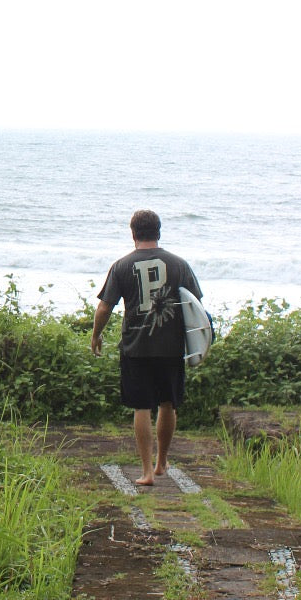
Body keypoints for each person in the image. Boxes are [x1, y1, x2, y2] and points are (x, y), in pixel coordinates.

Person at [89, 209, 203, 487]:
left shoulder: (121, 265)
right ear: (159, 232)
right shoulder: (179, 265)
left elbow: (105, 306)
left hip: (136, 347)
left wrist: (96, 335)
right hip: (171, 346)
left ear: (133, 233)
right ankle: (162, 462)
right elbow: (196, 304)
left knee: (141, 407)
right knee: (168, 403)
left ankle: (146, 472)